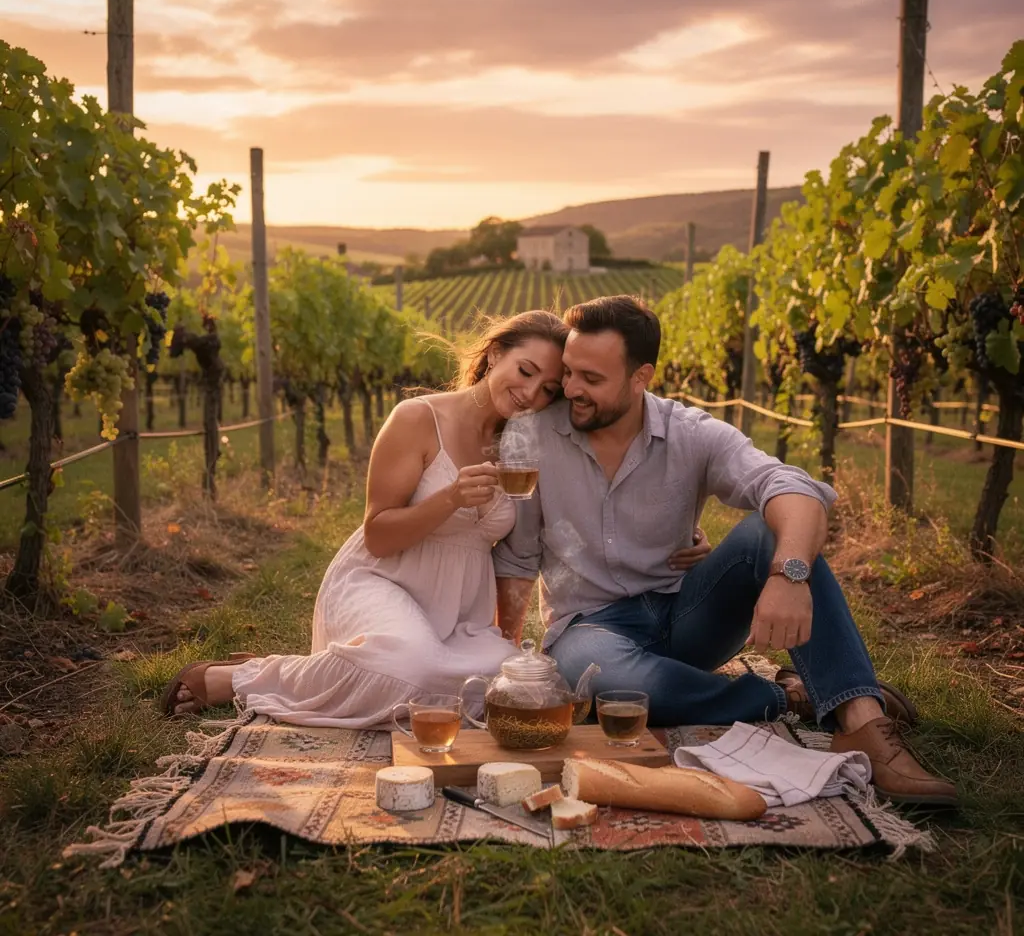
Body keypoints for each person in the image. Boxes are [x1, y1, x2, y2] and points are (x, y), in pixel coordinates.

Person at [493, 295, 957, 806]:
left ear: (641, 376)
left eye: (593, 380)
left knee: (768, 531)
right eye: (571, 373)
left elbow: (792, 487)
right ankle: (793, 697)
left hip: (688, 612)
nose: (572, 390)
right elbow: (516, 558)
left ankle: (862, 723)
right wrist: (506, 662)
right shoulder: (532, 437)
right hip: (590, 628)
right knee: (608, 686)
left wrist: (789, 575)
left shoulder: (691, 433)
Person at [160, 311, 573, 726]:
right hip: (381, 583)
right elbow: (377, 535)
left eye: (547, 389)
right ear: (496, 353)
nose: (531, 393)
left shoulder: (519, 446)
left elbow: (516, 554)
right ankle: (237, 678)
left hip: (458, 612)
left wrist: (507, 638)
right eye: (525, 371)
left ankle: (334, 670)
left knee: (507, 682)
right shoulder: (418, 418)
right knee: (410, 669)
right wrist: (450, 498)